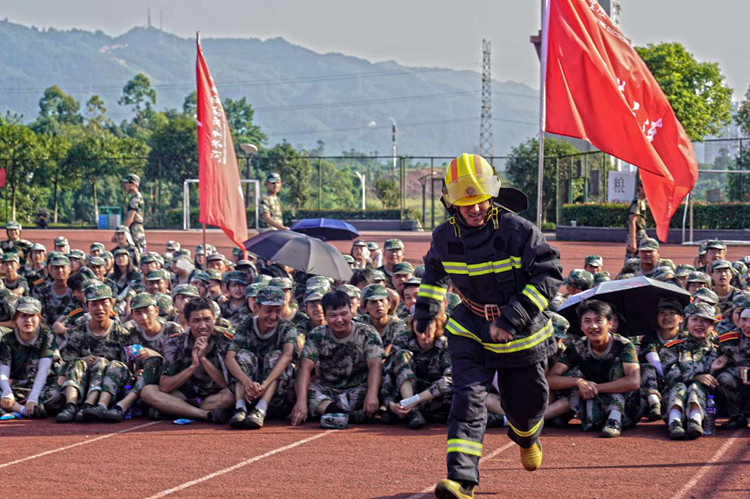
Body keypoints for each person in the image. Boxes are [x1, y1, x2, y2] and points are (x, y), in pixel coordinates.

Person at [413, 153, 562, 498]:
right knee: (467, 399)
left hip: (520, 332)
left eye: (480, 200)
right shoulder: (443, 237)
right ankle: (462, 481)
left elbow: (549, 274)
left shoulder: (518, 230)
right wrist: (425, 312)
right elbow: (434, 275)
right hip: (470, 329)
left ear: (491, 195)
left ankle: (526, 435)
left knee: (525, 404)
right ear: (452, 203)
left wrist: (512, 318)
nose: (476, 208)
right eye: (467, 203)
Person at [545, 300, 641, 438]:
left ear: (610, 324)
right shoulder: (578, 346)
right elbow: (551, 379)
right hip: (590, 403)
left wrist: (594, 388)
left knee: (618, 367)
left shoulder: (623, 345)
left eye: (598, 320)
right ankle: (533, 421)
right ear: (581, 326)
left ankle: (614, 420)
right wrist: (579, 382)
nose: (593, 326)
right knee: (572, 374)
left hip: (625, 408)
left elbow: (634, 381)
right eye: (587, 321)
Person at [290, 290, 384, 428]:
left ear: (351, 311)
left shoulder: (367, 332)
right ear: (325, 316)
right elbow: (305, 367)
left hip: (357, 389)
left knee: (379, 386)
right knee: (298, 387)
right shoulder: (317, 334)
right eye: (333, 315)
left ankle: (330, 412)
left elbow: (375, 365)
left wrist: (372, 394)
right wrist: (301, 402)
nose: (339, 320)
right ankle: (343, 414)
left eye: (343, 314)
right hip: (327, 390)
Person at [139, 297, 235, 424]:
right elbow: (165, 386)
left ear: (214, 319)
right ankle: (205, 414)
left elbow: (225, 384)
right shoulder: (175, 341)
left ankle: (177, 410)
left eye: (207, 319)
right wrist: (193, 366)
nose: (203, 326)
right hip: (185, 394)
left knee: (232, 395)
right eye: (196, 321)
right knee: (147, 392)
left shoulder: (225, 339)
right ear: (188, 322)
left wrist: (203, 359)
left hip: (214, 395)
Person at [55, 283, 132, 423]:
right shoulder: (78, 332)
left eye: (104, 303)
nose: (100, 308)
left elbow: (125, 366)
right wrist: (83, 360)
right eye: (94, 304)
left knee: (107, 363)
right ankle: (71, 405)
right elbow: (67, 358)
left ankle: (92, 406)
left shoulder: (122, 334)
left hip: (109, 388)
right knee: (77, 363)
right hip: (82, 384)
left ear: (111, 304)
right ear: (87, 306)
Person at [226, 287, 298, 429]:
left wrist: (265, 384)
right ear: (257, 308)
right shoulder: (246, 324)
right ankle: (240, 408)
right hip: (249, 391)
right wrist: (247, 383)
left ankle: (260, 410)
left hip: (276, 394)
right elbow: (230, 357)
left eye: (278, 311)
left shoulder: (287, 327)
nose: (273, 316)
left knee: (276, 357)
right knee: (243, 355)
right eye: (269, 311)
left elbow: (288, 355)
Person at [104, 293, 183, 422]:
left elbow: (178, 363)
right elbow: (128, 364)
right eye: (138, 313)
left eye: (147, 311)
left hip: (168, 381)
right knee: (116, 366)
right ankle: (102, 405)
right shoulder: (132, 333)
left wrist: (155, 354)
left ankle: (124, 405)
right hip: (142, 382)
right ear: (132, 315)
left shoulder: (172, 330)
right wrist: (136, 373)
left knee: (154, 360)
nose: (143, 317)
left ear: (156, 311)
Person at [381, 315, 452, 429]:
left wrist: (415, 400)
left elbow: (450, 380)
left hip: (432, 397)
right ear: (412, 325)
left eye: (429, 324)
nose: (425, 330)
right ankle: (412, 412)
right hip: (406, 392)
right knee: (402, 355)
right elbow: (387, 373)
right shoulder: (402, 340)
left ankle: (409, 408)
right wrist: (390, 403)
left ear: (436, 325)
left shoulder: (445, 344)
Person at [663, 302, 719, 440]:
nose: (699, 324)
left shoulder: (719, 350)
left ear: (712, 326)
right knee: (680, 386)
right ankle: (674, 422)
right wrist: (695, 376)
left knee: (696, 387)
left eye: (705, 320)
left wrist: (710, 373)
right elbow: (669, 375)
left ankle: (695, 421)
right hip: (673, 398)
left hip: (708, 403)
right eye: (695, 319)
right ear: (686, 323)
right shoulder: (674, 347)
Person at [0, 297, 61, 419]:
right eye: (23, 315)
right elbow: (4, 371)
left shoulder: (47, 335)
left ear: (39, 318)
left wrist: (33, 398)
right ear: (15, 319)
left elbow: (43, 370)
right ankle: (23, 409)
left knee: (57, 395)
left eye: (32, 315)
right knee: (4, 396)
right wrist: (7, 392)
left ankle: (21, 407)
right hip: (18, 386)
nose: (28, 320)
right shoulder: (8, 339)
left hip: (43, 385)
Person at [638, 298, 685, 420]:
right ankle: (654, 403)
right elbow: (653, 361)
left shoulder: (686, 339)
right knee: (647, 368)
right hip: (654, 382)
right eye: (662, 313)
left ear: (681, 318)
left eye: (671, 313)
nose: (666, 317)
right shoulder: (650, 338)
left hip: (678, 381)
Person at [713, 305, 750, 430]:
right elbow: (718, 365)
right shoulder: (727, 340)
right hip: (738, 384)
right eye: (744, 320)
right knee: (724, 378)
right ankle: (736, 417)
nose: (748, 325)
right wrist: (740, 371)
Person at [359, 283, 407, 355]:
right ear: (364, 308)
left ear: (389, 304)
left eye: (381, 300)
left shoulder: (398, 324)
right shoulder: (359, 323)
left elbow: (394, 346)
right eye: (373, 302)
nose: (379, 305)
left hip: (390, 360)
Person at [122, 173, 147, 254]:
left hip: (135, 228)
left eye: (127, 183)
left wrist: (123, 230)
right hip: (135, 227)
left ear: (133, 184)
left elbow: (131, 216)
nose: (125, 185)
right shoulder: (135, 197)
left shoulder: (135, 198)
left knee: (137, 251)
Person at [626, 182, 648, 260]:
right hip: (636, 234)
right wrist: (633, 241)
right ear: (640, 189)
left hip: (641, 233)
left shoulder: (642, 201)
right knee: (633, 259)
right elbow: (632, 220)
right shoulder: (637, 202)